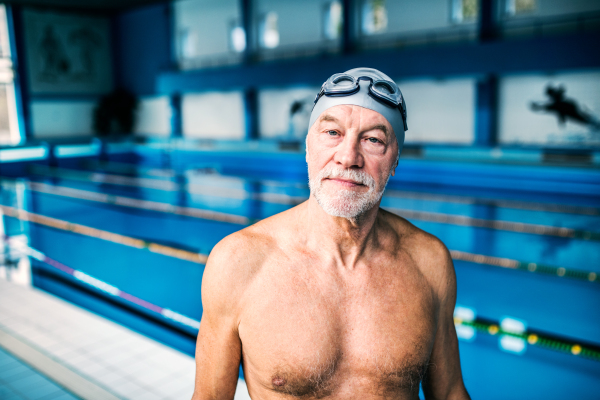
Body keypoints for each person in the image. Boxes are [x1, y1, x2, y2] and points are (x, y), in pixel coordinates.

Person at [192, 68, 470, 399]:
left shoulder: (429, 262)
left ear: (395, 159)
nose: (348, 157)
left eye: (373, 140)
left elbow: (451, 392)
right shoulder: (239, 262)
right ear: (308, 146)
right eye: (332, 133)